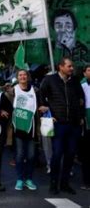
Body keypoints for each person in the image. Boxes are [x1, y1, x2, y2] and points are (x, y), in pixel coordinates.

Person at [39, 57, 85, 195]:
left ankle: (65, 184)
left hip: (73, 124)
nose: (72, 68)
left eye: (72, 66)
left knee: (70, 155)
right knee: (57, 154)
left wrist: (81, 116)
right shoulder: (50, 80)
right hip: (58, 124)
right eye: (69, 66)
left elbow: (81, 99)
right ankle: (53, 184)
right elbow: (41, 95)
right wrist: (45, 112)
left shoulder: (75, 81)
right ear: (61, 67)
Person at [7, 70, 39, 191]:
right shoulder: (12, 91)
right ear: (17, 78)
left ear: (28, 77)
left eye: (25, 75)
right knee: (19, 156)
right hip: (17, 127)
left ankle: (29, 179)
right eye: (20, 75)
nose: (22, 77)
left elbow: (39, 105)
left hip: (31, 128)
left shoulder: (35, 90)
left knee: (31, 156)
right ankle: (20, 179)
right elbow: (4, 104)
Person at [80, 64, 90, 190]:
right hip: (86, 124)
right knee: (87, 154)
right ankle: (87, 181)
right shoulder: (81, 87)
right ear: (84, 73)